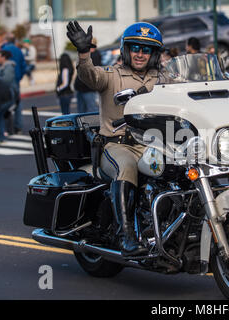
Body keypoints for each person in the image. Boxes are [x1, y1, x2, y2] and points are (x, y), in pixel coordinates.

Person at [67, 20, 163, 256]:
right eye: (135, 48)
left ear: (154, 53)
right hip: (118, 146)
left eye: (146, 49)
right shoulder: (111, 76)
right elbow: (89, 76)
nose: (140, 54)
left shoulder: (165, 80)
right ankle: (125, 236)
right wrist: (83, 52)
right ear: (126, 50)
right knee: (127, 168)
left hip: (158, 145)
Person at [0, 34, 27, 134]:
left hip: (4, 82)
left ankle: (5, 128)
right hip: (15, 81)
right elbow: (23, 65)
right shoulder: (18, 50)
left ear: (6, 40)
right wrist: (19, 77)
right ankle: (18, 127)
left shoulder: (3, 51)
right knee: (17, 104)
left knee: (4, 105)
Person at [74, 38, 101, 113]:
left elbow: (91, 72)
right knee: (81, 111)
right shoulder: (85, 55)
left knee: (92, 109)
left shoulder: (95, 55)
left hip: (88, 89)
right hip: (81, 88)